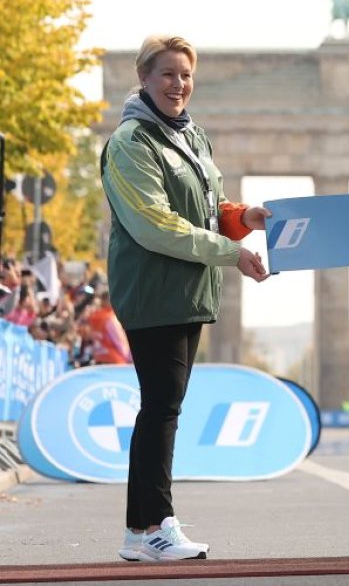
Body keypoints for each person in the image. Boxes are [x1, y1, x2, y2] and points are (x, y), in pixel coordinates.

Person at [101, 35, 271, 561]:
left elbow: (205, 205)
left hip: (186, 290)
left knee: (165, 407)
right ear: (144, 79)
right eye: (168, 75)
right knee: (160, 407)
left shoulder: (191, 135)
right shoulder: (132, 142)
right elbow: (155, 224)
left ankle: (145, 525)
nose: (179, 85)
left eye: (186, 75)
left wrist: (243, 218)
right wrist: (230, 251)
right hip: (153, 290)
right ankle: (151, 525)